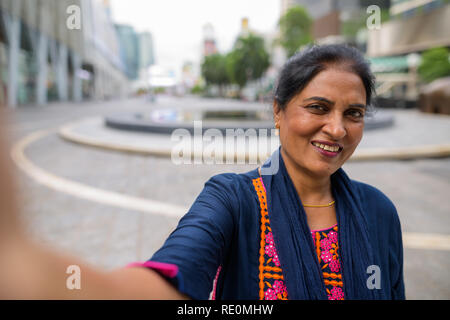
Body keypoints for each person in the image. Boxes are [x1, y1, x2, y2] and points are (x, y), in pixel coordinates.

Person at [0, 44, 404, 300]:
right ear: (278, 112)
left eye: (353, 114)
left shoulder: (379, 212)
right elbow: (172, 274)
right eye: (317, 107)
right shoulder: (232, 199)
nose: (337, 129)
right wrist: (28, 273)